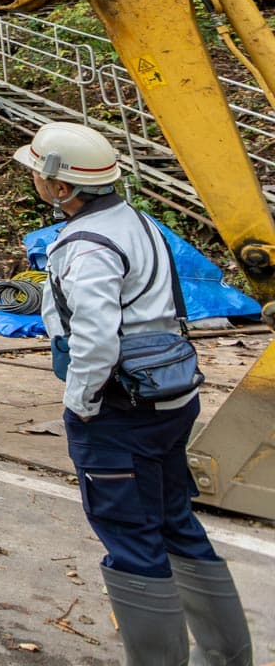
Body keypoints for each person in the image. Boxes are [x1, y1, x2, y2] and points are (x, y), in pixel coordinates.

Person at [20, 122, 252, 666]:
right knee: (175, 523)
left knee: (131, 539)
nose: (32, 177)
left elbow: (96, 340)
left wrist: (80, 404)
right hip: (171, 399)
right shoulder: (137, 222)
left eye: (36, 170)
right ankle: (226, 657)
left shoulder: (86, 246)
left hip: (119, 410)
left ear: (60, 186)